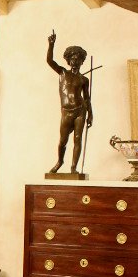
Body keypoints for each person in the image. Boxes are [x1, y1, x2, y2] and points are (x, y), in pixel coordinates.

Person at [46, 30, 93, 174]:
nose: (75, 61)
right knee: (63, 140)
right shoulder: (62, 73)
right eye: (72, 58)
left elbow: (87, 98)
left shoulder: (84, 79)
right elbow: (50, 61)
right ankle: (60, 161)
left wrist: (90, 114)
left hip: (80, 110)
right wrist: (51, 45)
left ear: (81, 61)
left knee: (77, 139)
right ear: (68, 60)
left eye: (78, 58)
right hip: (66, 112)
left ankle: (73, 167)